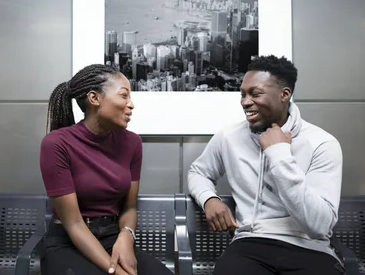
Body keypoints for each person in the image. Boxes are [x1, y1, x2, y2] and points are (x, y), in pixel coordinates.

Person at [187, 55, 345, 275]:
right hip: (249, 243)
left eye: (255, 93)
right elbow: (198, 172)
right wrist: (209, 199)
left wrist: (279, 153)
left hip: (310, 247)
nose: (245, 102)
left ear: (284, 95)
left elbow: (319, 225)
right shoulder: (229, 136)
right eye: (242, 94)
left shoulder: (322, 143)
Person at [39, 64, 173, 275]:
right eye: (124, 96)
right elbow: (73, 223)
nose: (131, 105)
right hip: (69, 242)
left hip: (114, 237)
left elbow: (129, 207)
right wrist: (116, 272)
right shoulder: (56, 144)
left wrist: (126, 237)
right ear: (94, 98)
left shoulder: (132, 143)